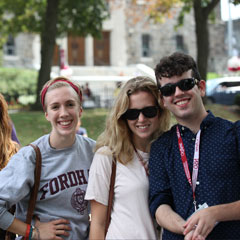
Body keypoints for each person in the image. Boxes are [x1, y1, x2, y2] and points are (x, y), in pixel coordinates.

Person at [149, 52, 240, 240]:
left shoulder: (234, 134)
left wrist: (215, 213)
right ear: (163, 100)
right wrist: (187, 228)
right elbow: (159, 203)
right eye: (168, 90)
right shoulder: (160, 147)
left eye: (185, 84)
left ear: (201, 87)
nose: (178, 93)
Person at [0, 77, 95, 239]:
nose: (64, 113)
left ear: (80, 110)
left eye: (70, 104)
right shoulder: (31, 157)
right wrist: (32, 232)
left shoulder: (94, 151)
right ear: (47, 114)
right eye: (55, 107)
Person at [85, 76, 170, 239]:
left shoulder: (170, 152)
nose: (141, 119)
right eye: (132, 113)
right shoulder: (107, 156)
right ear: (122, 116)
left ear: (160, 112)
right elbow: (98, 224)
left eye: (149, 111)